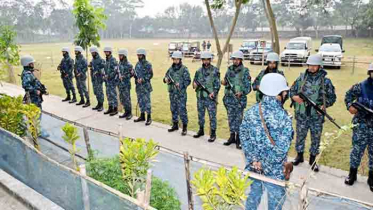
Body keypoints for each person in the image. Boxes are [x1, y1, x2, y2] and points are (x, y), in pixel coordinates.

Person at [240, 73, 293, 210]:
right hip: (274, 172)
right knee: (275, 203)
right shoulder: (284, 118)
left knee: (253, 196)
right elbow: (281, 149)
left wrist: (254, 161)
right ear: (279, 93)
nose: (286, 94)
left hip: (253, 167)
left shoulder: (250, 112)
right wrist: (265, 164)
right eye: (284, 91)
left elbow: (244, 138)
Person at [290, 54, 336, 172]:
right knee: (300, 136)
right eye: (310, 65)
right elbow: (292, 91)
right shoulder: (301, 78)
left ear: (319, 66)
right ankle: (299, 156)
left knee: (316, 138)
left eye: (315, 65)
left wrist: (324, 105)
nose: (312, 67)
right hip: (302, 115)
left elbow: (332, 97)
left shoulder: (325, 81)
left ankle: (312, 160)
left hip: (316, 116)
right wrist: (295, 97)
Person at [344, 63, 373, 192]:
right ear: (370, 73)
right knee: (356, 150)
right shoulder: (360, 87)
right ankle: (352, 174)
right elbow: (348, 96)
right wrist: (350, 106)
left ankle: (371, 178)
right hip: (361, 124)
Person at [221, 51, 251, 149]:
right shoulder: (229, 70)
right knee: (230, 118)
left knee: (239, 120)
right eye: (234, 59)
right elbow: (226, 80)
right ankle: (232, 137)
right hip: (229, 99)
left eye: (237, 59)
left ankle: (238, 138)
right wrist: (224, 82)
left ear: (241, 60)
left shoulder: (245, 71)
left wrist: (241, 92)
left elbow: (248, 87)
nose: (235, 61)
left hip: (239, 101)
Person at [193, 51, 221, 142]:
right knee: (200, 115)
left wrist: (214, 92)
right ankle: (201, 130)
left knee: (212, 116)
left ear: (210, 60)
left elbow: (217, 84)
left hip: (210, 98)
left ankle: (213, 133)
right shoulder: (198, 71)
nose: (205, 61)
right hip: (200, 97)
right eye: (204, 60)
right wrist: (195, 84)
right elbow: (194, 83)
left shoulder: (215, 70)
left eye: (207, 60)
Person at [21, 55, 49, 138]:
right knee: (37, 114)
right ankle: (37, 131)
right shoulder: (27, 74)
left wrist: (42, 90)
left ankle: (35, 129)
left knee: (35, 114)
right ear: (28, 64)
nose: (33, 64)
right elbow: (26, 85)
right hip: (33, 98)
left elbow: (33, 82)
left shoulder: (28, 72)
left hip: (35, 97)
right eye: (32, 63)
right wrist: (35, 91)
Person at [163, 51, 191, 136]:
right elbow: (165, 78)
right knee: (173, 109)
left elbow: (188, 81)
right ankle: (175, 125)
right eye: (174, 59)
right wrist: (166, 80)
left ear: (180, 59)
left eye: (176, 59)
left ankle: (184, 127)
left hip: (181, 94)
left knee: (182, 110)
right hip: (172, 93)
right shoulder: (170, 69)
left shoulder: (184, 69)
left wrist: (181, 84)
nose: (175, 61)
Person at [133, 48, 153, 126]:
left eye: (140, 55)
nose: (139, 56)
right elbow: (136, 74)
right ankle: (142, 116)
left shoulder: (148, 64)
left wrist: (143, 79)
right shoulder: (137, 64)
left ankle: (149, 117)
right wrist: (134, 75)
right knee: (140, 101)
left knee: (147, 102)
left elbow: (150, 74)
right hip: (138, 87)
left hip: (145, 87)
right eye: (138, 55)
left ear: (143, 55)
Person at [118, 49, 134, 120]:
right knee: (122, 99)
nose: (119, 57)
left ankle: (130, 113)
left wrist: (124, 76)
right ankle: (126, 112)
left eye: (121, 55)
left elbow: (132, 74)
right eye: (119, 55)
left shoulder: (129, 65)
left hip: (126, 85)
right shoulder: (119, 64)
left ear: (124, 56)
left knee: (127, 99)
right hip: (120, 85)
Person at [103, 47, 119, 116]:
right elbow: (105, 69)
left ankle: (115, 109)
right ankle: (110, 108)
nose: (106, 53)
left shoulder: (113, 60)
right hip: (107, 81)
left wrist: (109, 76)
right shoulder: (106, 60)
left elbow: (115, 71)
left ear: (110, 52)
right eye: (105, 52)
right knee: (108, 94)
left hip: (112, 81)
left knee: (113, 95)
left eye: (107, 52)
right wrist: (104, 75)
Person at [89, 46, 105, 112]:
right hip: (94, 79)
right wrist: (90, 65)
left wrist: (97, 70)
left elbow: (103, 68)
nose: (92, 54)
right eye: (91, 53)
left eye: (93, 53)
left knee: (100, 92)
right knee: (96, 92)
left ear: (96, 52)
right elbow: (92, 66)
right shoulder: (93, 59)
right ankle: (98, 104)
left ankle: (101, 105)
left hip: (99, 79)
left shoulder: (100, 60)